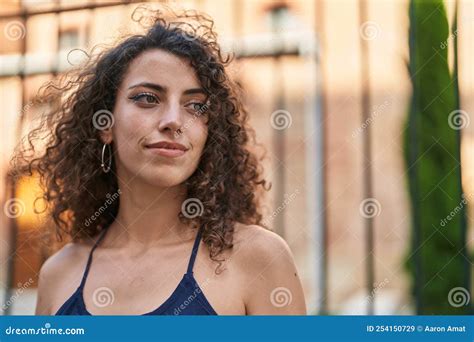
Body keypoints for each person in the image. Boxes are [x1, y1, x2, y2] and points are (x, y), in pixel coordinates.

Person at [13, 6, 306, 315]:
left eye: (196, 106)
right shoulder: (59, 274)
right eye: (147, 98)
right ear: (105, 125)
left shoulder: (257, 258)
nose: (173, 121)